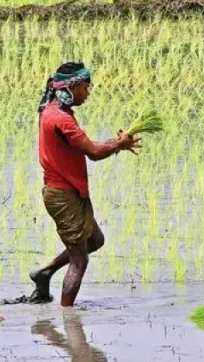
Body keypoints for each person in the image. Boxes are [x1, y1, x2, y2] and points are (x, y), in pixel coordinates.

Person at [28, 62, 140, 307]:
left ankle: (44, 273)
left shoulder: (52, 110)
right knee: (80, 260)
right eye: (85, 87)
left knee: (94, 242)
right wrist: (117, 145)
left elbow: (90, 147)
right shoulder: (62, 120)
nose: (88, 93)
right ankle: (68, 316)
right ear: (72, 86)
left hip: (70, 192)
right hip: (63, 195)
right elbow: (94, 152)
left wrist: (117, 143)